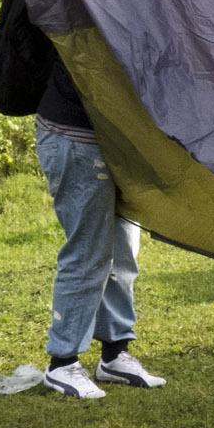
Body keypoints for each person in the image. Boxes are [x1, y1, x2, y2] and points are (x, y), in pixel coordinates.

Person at [35, 49, 166, 397]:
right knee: (89, 251)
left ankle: (114, 354)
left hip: (118, 138)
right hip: (77, 133)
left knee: (123, 249)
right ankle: (62, 363)